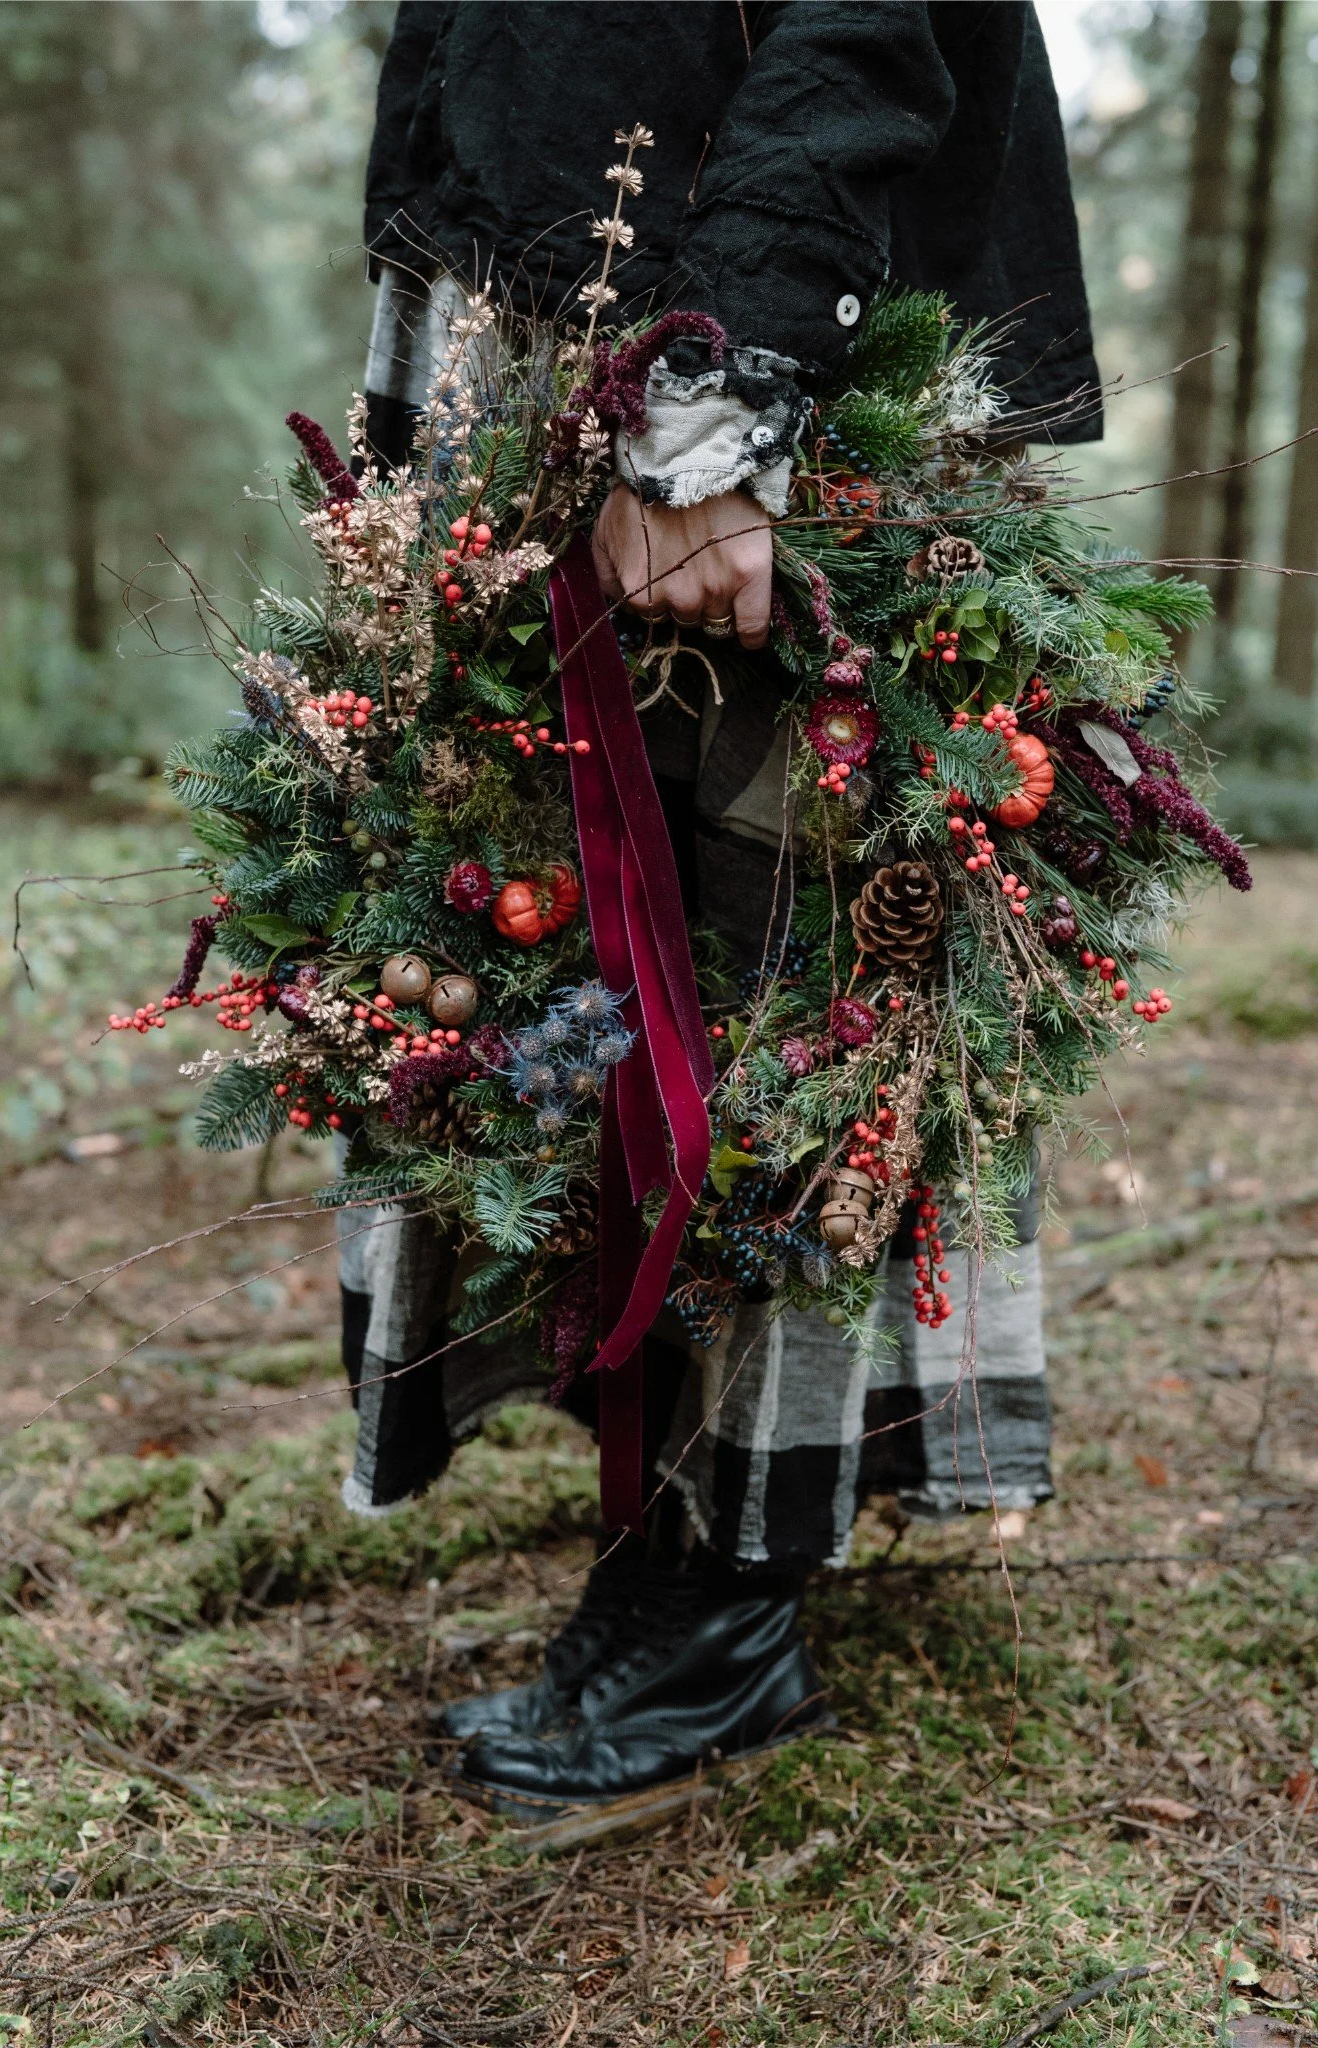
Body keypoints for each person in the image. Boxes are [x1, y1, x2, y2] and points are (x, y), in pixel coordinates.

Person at [337, 0, 1100, 1817]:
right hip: (553, 317)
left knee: (791, 974)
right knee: (551, 967)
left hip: (750, 353)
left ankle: (731, 1592)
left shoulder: (715, 402)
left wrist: (707, 405)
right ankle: (667, 1535)